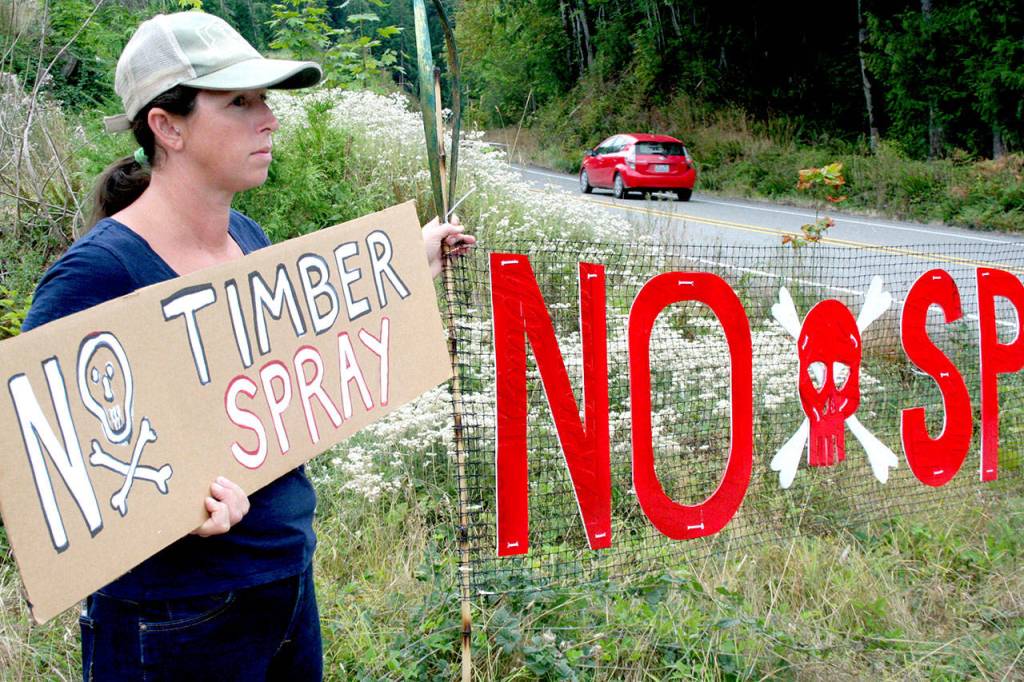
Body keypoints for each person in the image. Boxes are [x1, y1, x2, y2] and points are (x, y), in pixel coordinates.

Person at [21, 11, 473, 681]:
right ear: (166, 126)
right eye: (239, 102)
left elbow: (292, 353)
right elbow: (43, 468)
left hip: (284, 583)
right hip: (175, 620)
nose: (269, 118)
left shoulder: (249, 240)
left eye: (264, 99)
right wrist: (173, 509)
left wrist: (410, 264)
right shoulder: (99, 273)